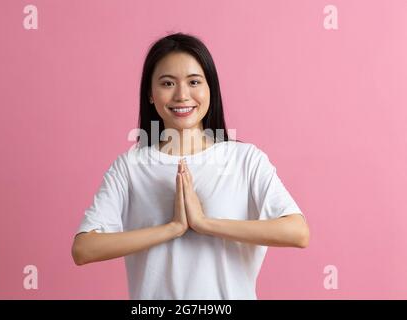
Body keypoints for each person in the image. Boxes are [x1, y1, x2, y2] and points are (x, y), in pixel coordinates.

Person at [71, 32, 309, 300]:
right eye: (167, 83)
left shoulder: (245, 159)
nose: (182, 95)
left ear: (210, 89)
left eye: (194, 81)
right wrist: (172, 228)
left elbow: (297, 232)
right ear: (150, 94)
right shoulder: (130, 167)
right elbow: (84, 248)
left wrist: (205, 223)